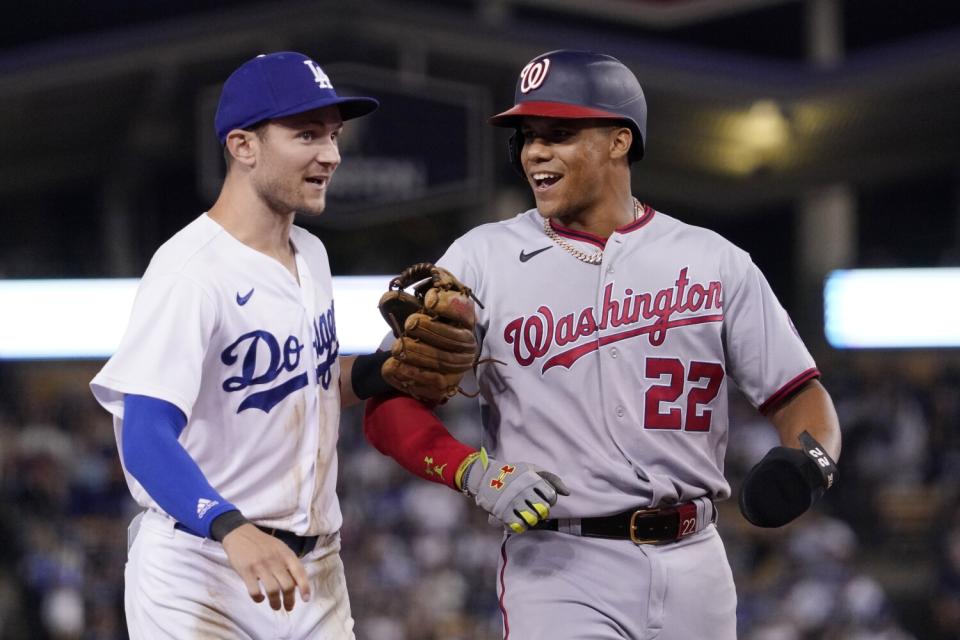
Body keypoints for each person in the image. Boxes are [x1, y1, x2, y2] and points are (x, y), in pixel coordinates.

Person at [363, 49, 842, 639]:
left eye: (558, 133)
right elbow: (388, 407)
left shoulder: (713, 260)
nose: (535, 151)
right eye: (527, 137)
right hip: (560, 567)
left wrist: (811, 464)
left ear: (620, 141)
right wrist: (473, 471)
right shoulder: (481, 258)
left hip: (697, 563)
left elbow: (800, 395)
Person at [90, 51, 397, 639]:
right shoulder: (190, 272)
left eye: (333, 135)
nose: (330, 154)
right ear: (243, 146)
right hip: (200, 567)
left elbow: (309, 382)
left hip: (313, 570)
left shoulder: (311, 254)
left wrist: (385, 372)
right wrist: (228, 527)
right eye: (306, 134)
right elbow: (146, 435)